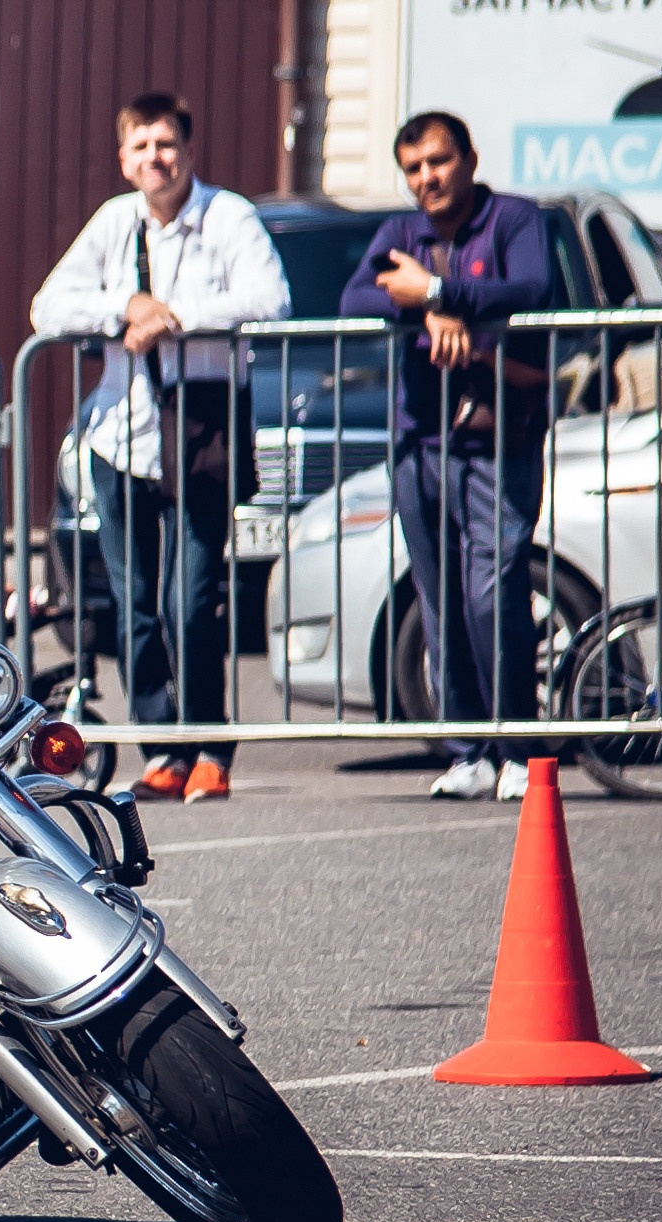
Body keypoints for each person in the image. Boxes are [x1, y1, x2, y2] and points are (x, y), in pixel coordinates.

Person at [28, 92, 291, 805]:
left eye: (167, 144)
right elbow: (47, 307)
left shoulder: (228, 215)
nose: (156, 158)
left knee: (190, 599)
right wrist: (124, 307)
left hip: (200, 434)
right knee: (134, 602)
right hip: (120, 437)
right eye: (141, 146)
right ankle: (162, 751)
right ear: (124, 159)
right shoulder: (115, 221)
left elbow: (271, 298)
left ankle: (208, 745)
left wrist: (173, 319)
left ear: (189, 151)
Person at [341, 112, 556, 802]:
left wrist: (437, 291)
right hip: (420, 442)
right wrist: (424, 313)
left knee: (494, 595)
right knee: (439, 600)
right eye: (413, 168)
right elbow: (353, 297)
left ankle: (518, 748)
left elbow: (532, 288)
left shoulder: (513, 218)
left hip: (499, 438)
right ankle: (469, 751)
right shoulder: (401, 233)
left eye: (438, 161)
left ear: (469, 158)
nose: (426, 178)